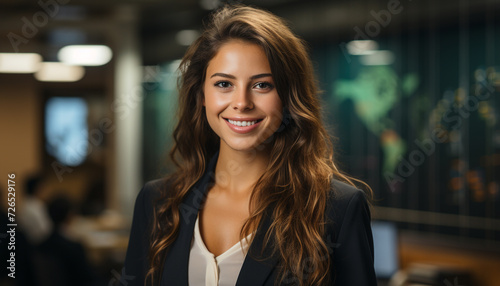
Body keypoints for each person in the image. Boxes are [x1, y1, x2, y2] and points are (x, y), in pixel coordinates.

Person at [125, 4, 377, 286]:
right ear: (201, 95)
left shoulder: (337, 210)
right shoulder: (157, 202)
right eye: (224, 84)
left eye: (262, 85)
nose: (242, 103)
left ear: (288, 97)